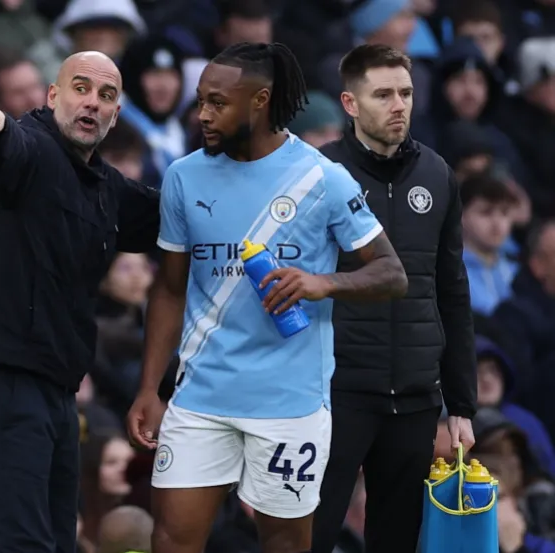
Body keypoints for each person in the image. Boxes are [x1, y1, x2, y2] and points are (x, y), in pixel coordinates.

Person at [126, 41, 408, 553]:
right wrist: (149, 387)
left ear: (259, 101)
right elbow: (168, 288)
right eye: (201, 100)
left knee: (284, 544)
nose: (202, 114)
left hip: (289, 404)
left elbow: (392, 274)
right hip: (200, 397)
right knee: (169, 539)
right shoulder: (183, 176)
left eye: (217, 103)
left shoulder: (322, 178)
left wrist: (323, 283)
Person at [0, 51, 160, 553]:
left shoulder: (105, 187)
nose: (92, 103)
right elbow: (14, 146)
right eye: (81, 88)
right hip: (7, 382)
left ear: (116, 115)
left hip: (61, 394)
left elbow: (169, 214)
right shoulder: (33, 147)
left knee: (56, 543)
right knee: (22, 545)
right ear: (53, 96)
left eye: (106, 96)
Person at [311, 44, 478, 553]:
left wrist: (461, 404)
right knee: (310, 537)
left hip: (415, 396)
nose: (398, 105)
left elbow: (452, 292)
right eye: (382, 95)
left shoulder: (437, 175)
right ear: (350, 103)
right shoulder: (319, 174)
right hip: (335, 393)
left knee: (398, 542)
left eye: (405, 93)